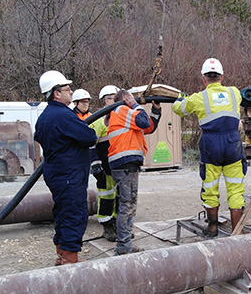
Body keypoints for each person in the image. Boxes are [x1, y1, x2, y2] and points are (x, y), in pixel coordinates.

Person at [172, 58, 246, 237]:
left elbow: (177, 109)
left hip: (211, 146)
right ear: (222, 76)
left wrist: (182, 98)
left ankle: (212, 228)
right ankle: (238, 233)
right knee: (236, 189)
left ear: (204, 79)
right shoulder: (234, 93)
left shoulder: (198, 98)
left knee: (210, 187)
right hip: (232, 144)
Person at [34, 70, 97, 265]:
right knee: (74, 214)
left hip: (56, 174)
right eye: (67, 89)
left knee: (62, 213)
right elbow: (89, 137)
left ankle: (61, 255)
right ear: (56, 93)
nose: (71, 93)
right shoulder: (63, 115)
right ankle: (70, 261)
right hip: (70, 175)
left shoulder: (45, 116)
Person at [107, 89, 161, 255]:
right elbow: (143, 122)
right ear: (125, 99)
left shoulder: (124, 116)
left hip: (125, 164)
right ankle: (123, 246)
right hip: (125, 163)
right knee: (127, 204)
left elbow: (148, 127)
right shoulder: (122, 110)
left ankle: (126, 243)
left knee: (128, 204)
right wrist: (135, 104)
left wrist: (156, 111)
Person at [90, 85, 120, 242]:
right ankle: (107, 226)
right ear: (103, 101)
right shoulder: (99, 121)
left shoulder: (121, 118)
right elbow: (90, 144)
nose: (113, 101)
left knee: (120, 197)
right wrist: (95, 165)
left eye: (115, 97)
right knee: (106, 197)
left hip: (119, 166)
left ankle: (118, 226)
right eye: (109, 98)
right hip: (105, 167)